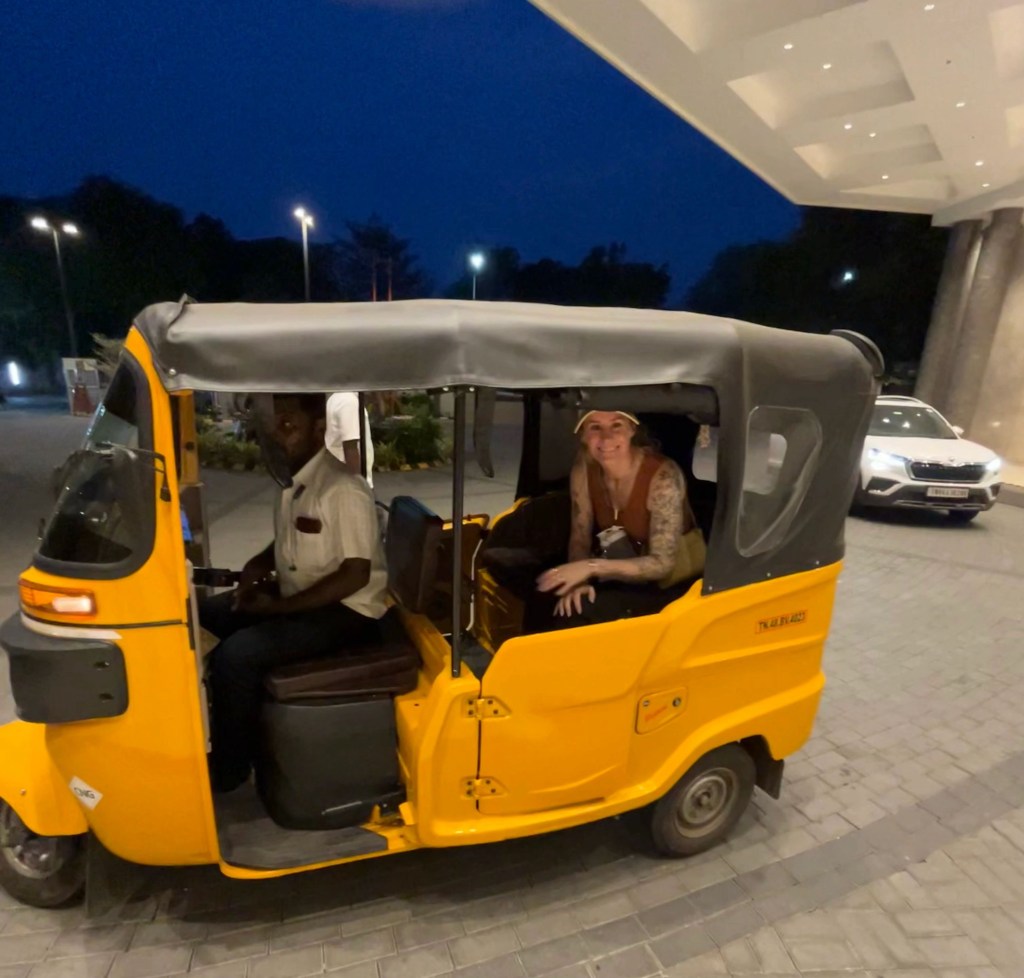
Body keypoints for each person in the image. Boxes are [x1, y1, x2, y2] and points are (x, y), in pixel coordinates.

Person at [201, 393, 388, 792]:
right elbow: (292, 539)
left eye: (289, 425)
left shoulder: (343, 488)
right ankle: (220, 723)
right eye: (275, 423)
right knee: (207, 615)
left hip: (350, 612)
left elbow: (355, 575)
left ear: (319, 430)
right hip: (306, 596)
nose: (276, 434)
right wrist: (259, 564)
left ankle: (231, 768)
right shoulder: (297, 481)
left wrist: (278, 608)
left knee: (237, 656)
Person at [535, 409, 694, 626]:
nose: (606, 438)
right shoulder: (584, 470)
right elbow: (580, 535)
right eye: (595, 427)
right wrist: (577, 583)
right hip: (617, 567)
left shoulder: (663, 477)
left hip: (669, 585)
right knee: (550, 595)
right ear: (583, 436)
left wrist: (590, 568)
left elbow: (663, 564)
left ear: (632, 430)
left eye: (616, 425)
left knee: (578, 612)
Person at [325, 391, 375, 487]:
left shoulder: (337, 397)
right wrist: (358, 486)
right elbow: (350, 447)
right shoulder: (348, 401)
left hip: (339, 478)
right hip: (348, 482)